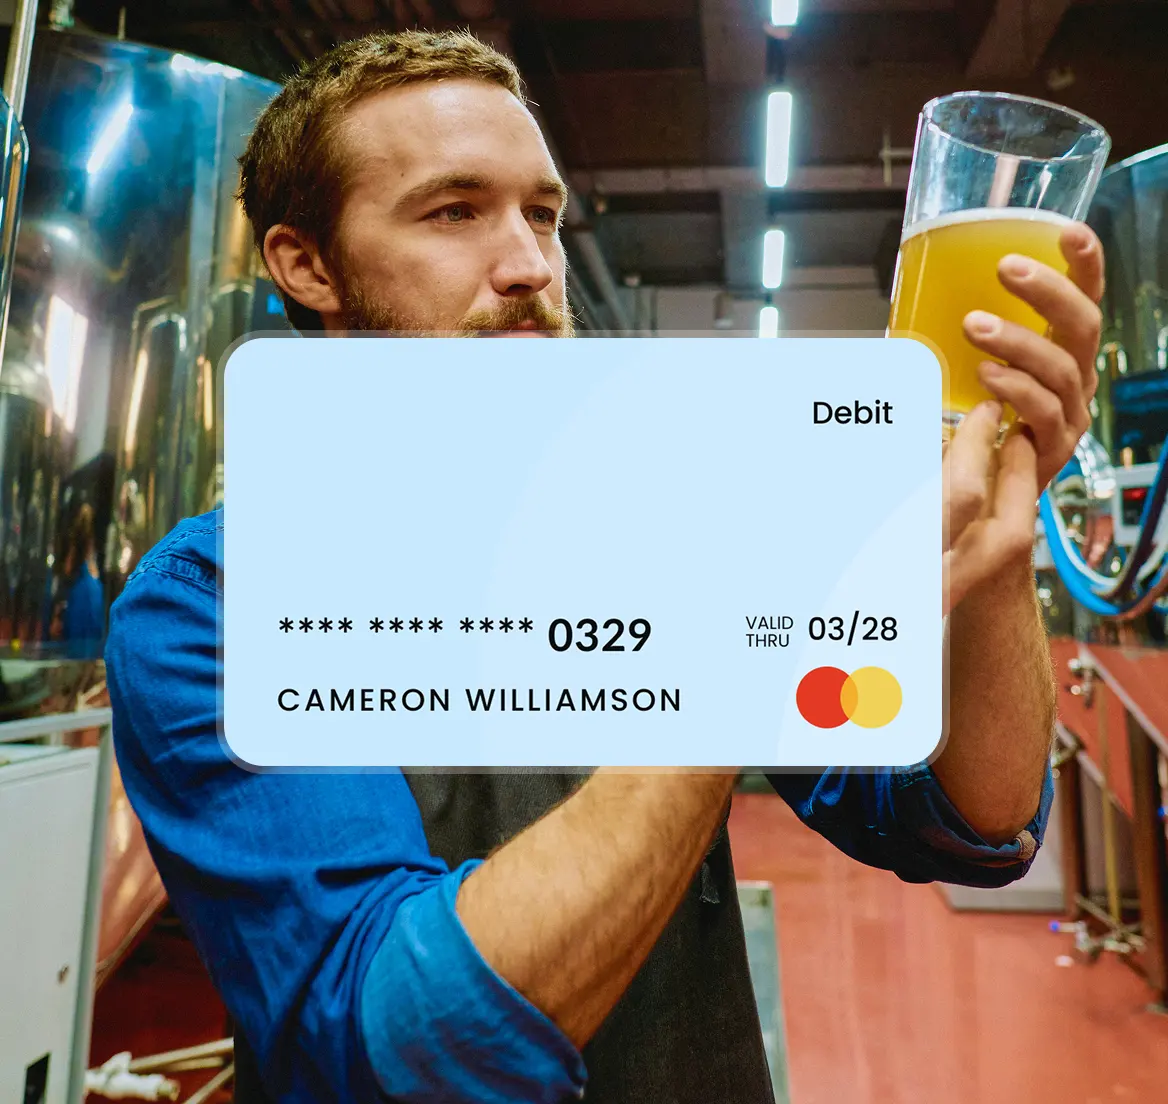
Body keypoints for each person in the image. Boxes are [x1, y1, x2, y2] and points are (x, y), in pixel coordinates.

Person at [105, 29, 1105, 1104]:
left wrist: (998, 519)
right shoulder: (213, 601)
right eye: (455, 211)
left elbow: (967, 820)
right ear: (307, 265)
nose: (533, 264)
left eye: (541, 212)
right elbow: (400, 1042)